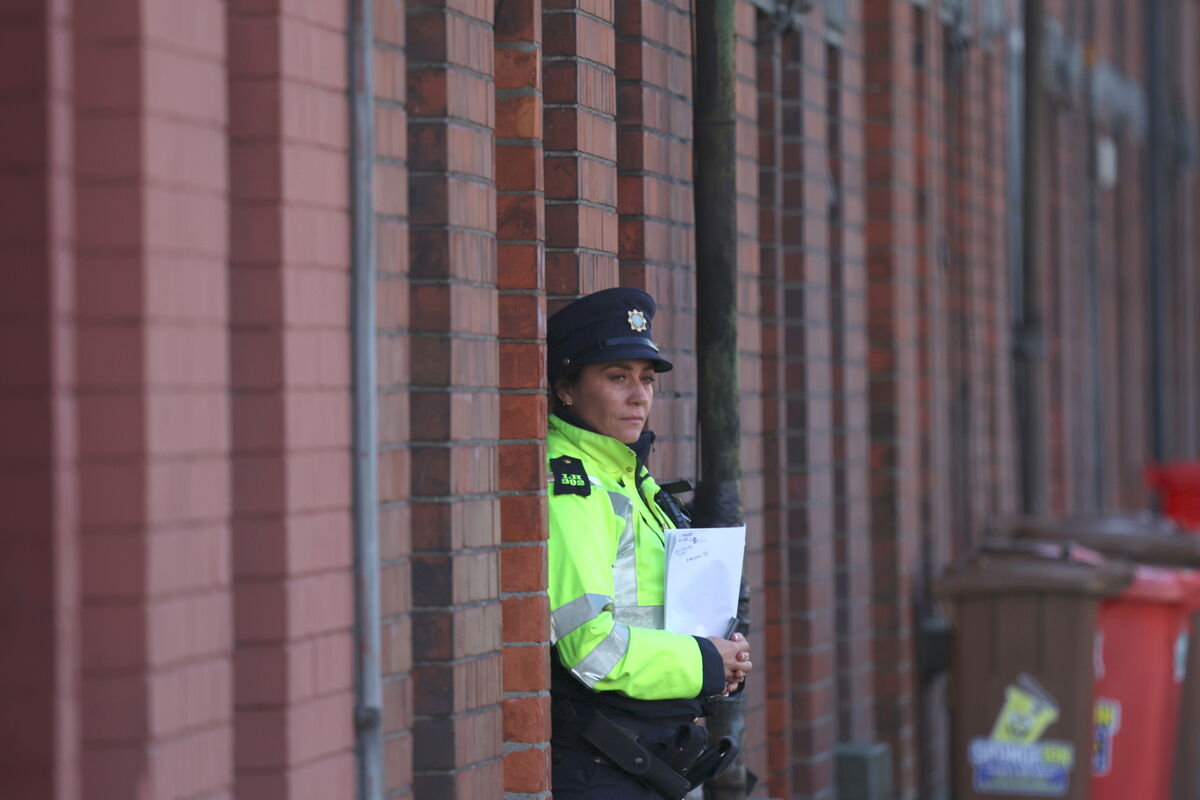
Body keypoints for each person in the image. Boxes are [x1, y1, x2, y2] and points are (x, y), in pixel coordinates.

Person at [545, 287, 753, 800]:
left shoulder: (631, 477)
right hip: (605, 766)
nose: (639, 395)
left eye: (647, 379)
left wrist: (724, 655)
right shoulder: (575, 484)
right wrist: (705, 662)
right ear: (567, 388)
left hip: (653, 756)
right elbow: (588, 644)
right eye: (617, 378)